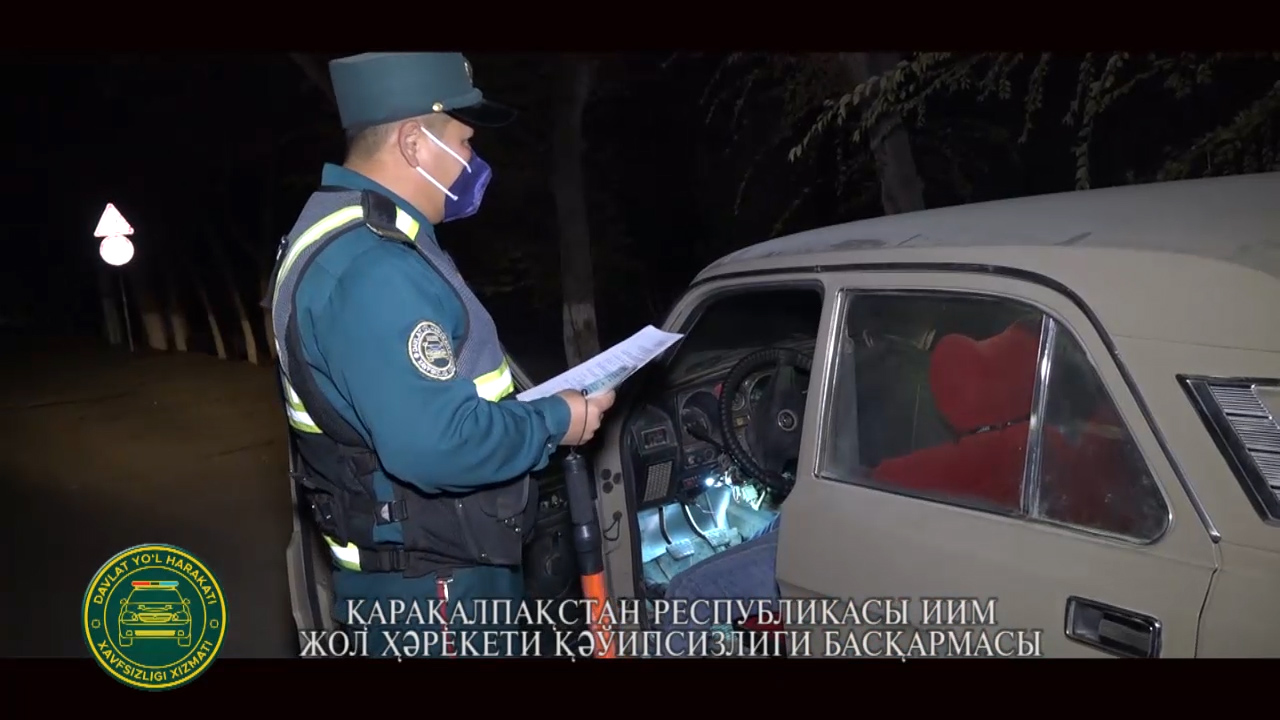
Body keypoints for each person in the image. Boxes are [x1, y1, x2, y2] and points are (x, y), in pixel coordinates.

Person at [268, 52, 615, 657]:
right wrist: (558, 419)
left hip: (430, 574)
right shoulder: (373, 269)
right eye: (462, 141)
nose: (472, 161)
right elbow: (437, 444)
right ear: (413, 143)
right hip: (435, 597)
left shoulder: (354, 235)